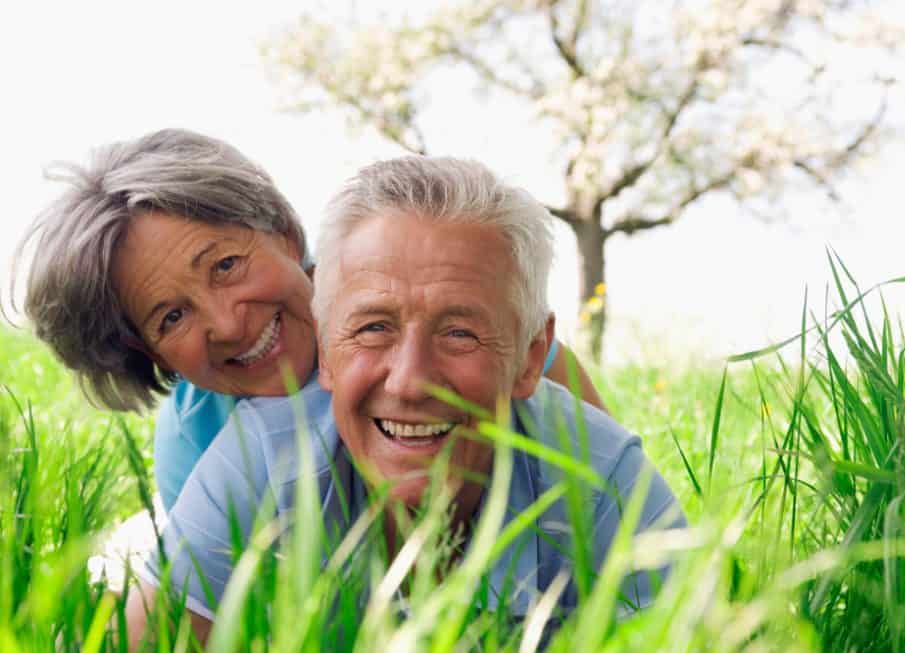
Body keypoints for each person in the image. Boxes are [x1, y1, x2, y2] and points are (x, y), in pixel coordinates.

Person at [125, 156, 685, 647]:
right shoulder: (257, 458)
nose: (410, 382)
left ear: (530, 356)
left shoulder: (601, 479)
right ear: (326, 348)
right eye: (373, 327)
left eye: (459, 333)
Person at [13, 128, 606, 513]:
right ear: (150, 353)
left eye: (225, 265)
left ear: (284, 235)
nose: (226, 324)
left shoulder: (463, 338)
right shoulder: (195, 439)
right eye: (170, 316)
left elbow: (611, 497)